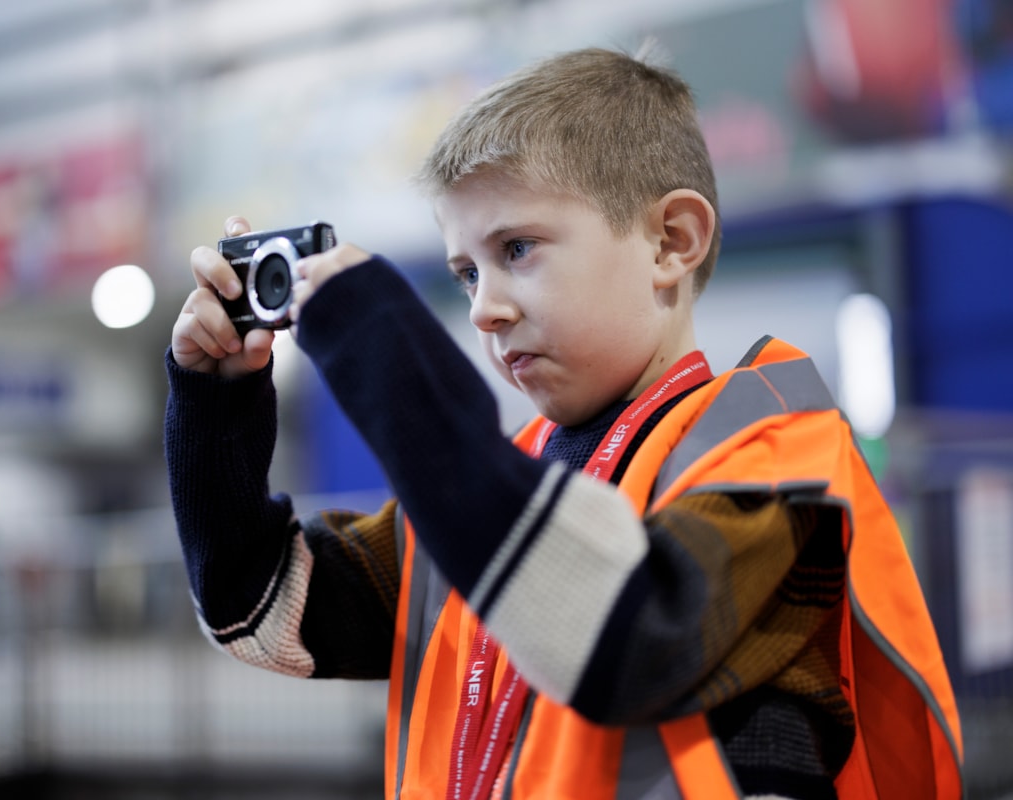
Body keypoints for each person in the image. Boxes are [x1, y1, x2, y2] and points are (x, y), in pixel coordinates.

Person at [165, 47, 963, 799]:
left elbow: (626, 636)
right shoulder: (500, 490)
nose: (484, 308)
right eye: (466, 272)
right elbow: (261, 617)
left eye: (518, 249)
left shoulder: (777, 462)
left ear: (670, 242)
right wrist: (215, 403)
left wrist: (395, 369)